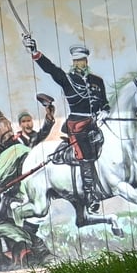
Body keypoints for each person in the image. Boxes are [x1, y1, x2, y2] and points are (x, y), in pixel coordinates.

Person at [22, 36, 110, 212]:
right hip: (77, 124)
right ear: (73, 62)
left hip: (95, 122)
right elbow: (50, 69)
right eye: (76, 61)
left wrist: (105, 111)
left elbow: (105, 103)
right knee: (85, 153)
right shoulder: (67, 79)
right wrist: (35, 52)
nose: (79, 64)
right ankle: (90, 195)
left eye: (82, 61)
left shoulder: (97, 81)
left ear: (86, 61)